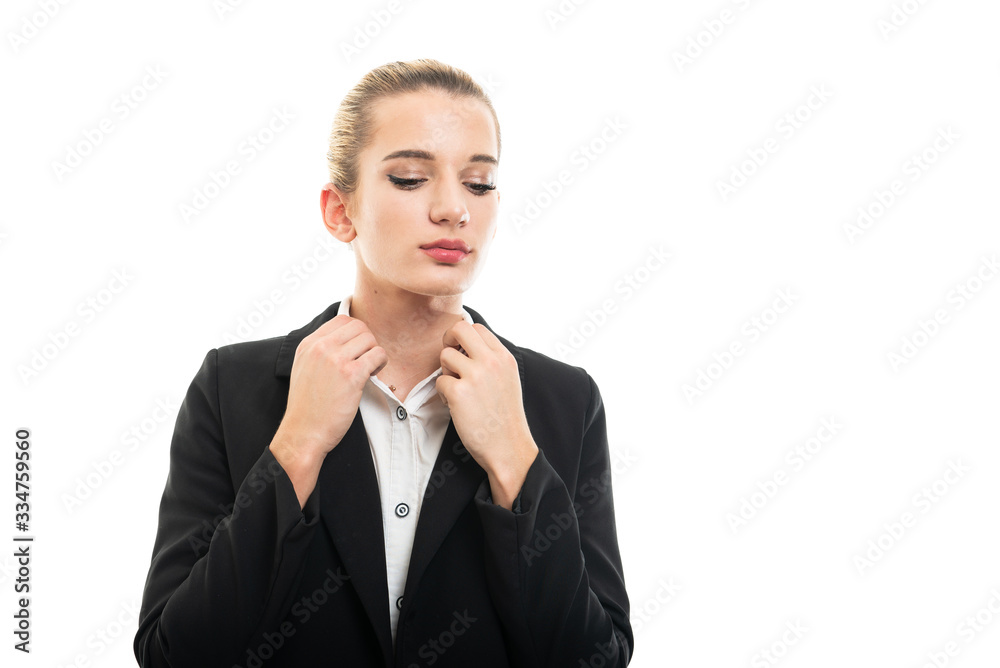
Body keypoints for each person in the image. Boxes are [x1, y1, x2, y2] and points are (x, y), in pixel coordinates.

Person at [134, 58, 632, 667]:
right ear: (340, 211)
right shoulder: (231, 386)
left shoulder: (563, 399)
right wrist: (297, 446)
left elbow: (596, 658)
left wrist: (514, 461)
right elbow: (174, 657)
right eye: (409, 178)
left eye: (478, 183)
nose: (455, 209)